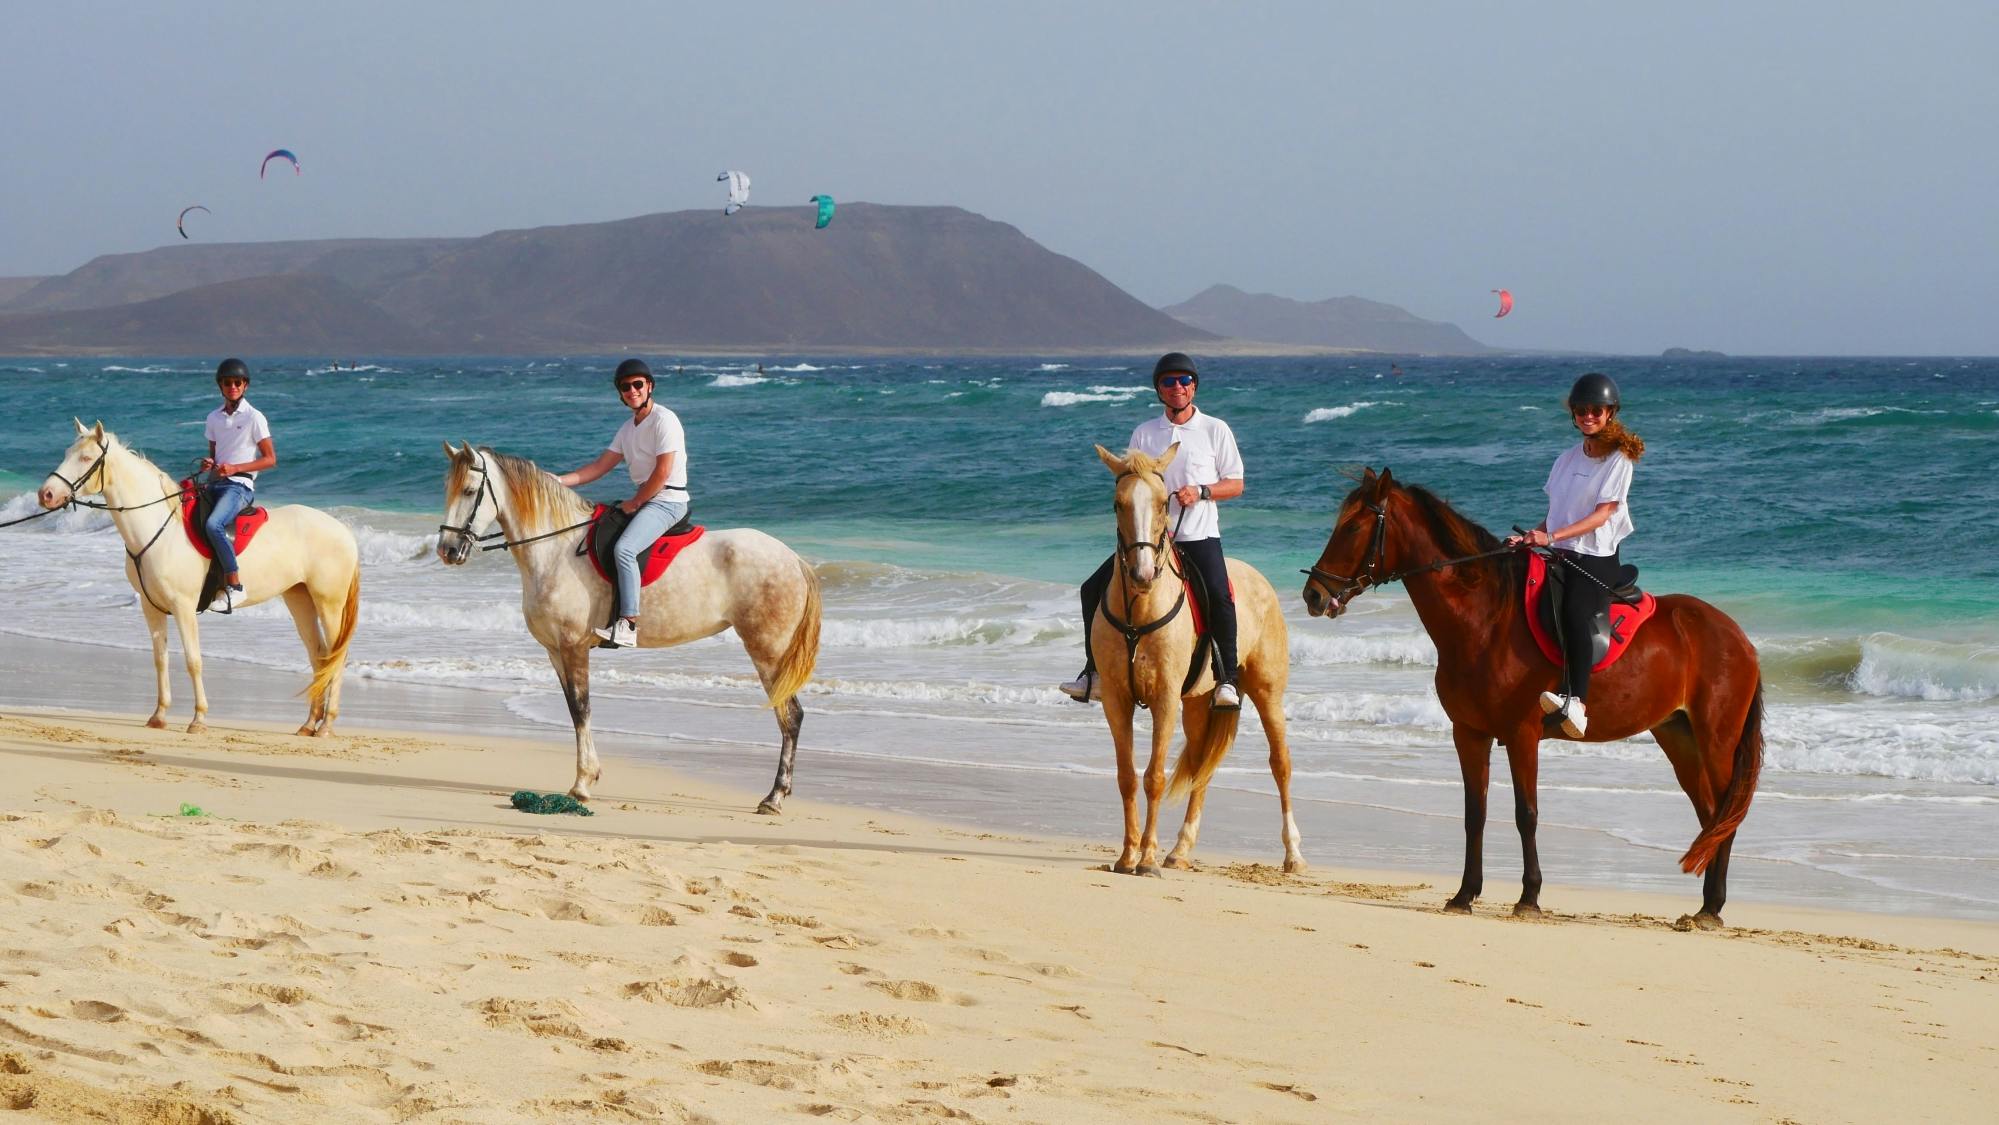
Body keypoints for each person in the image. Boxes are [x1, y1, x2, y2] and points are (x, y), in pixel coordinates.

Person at [1060, 352, 1246, 709]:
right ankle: (1094, 674)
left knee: (1220, 598)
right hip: (1149, 541)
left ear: (1194, 386)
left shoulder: (1214, 429)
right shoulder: (1145, 433)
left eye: (1185, 380)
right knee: (1091, 589)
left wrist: (1203, 492)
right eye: (1169, 381)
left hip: (1196, 535)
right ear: (1159, 389)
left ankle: (1227, 680)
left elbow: (1236, 484)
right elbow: (1131, 480)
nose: (1178, 387)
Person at [1504, 372, 1645, 738]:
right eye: (1581, 410)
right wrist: (1531, 539)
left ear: (1610, 412)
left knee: (1574, 612)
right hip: (1560, 550)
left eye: (1596, 410)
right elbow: (1556, 513)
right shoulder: (1566, 459)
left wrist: (1551, 537)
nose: (1588, 416)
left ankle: (1577, 702)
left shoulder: (1618, 460)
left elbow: (1602, 515)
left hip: (1595, 556)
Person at [551, 359, 690, 649]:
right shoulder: (628, 428)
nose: (632, 390)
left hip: (668, 501)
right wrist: (558, 481)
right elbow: (600, 466)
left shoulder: (665, 420)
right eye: (626, 387)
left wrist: (636, 502)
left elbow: (663, 472)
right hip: (648, 499)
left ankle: (628, 623)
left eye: (637, 384)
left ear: (649, 386)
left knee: (625, 549)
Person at [198, 358, 276, 613]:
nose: (232, 386)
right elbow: (216, 454)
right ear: (220, 386)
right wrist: (210, 463)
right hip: (216, 483)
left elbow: (270, 459)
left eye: (237, 382)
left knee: (213, 524)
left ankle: (235, 586)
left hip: (239, 487)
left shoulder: (255, 417)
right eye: (227, 382)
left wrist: (235, 468)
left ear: (245, 386)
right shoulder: (213, 418)